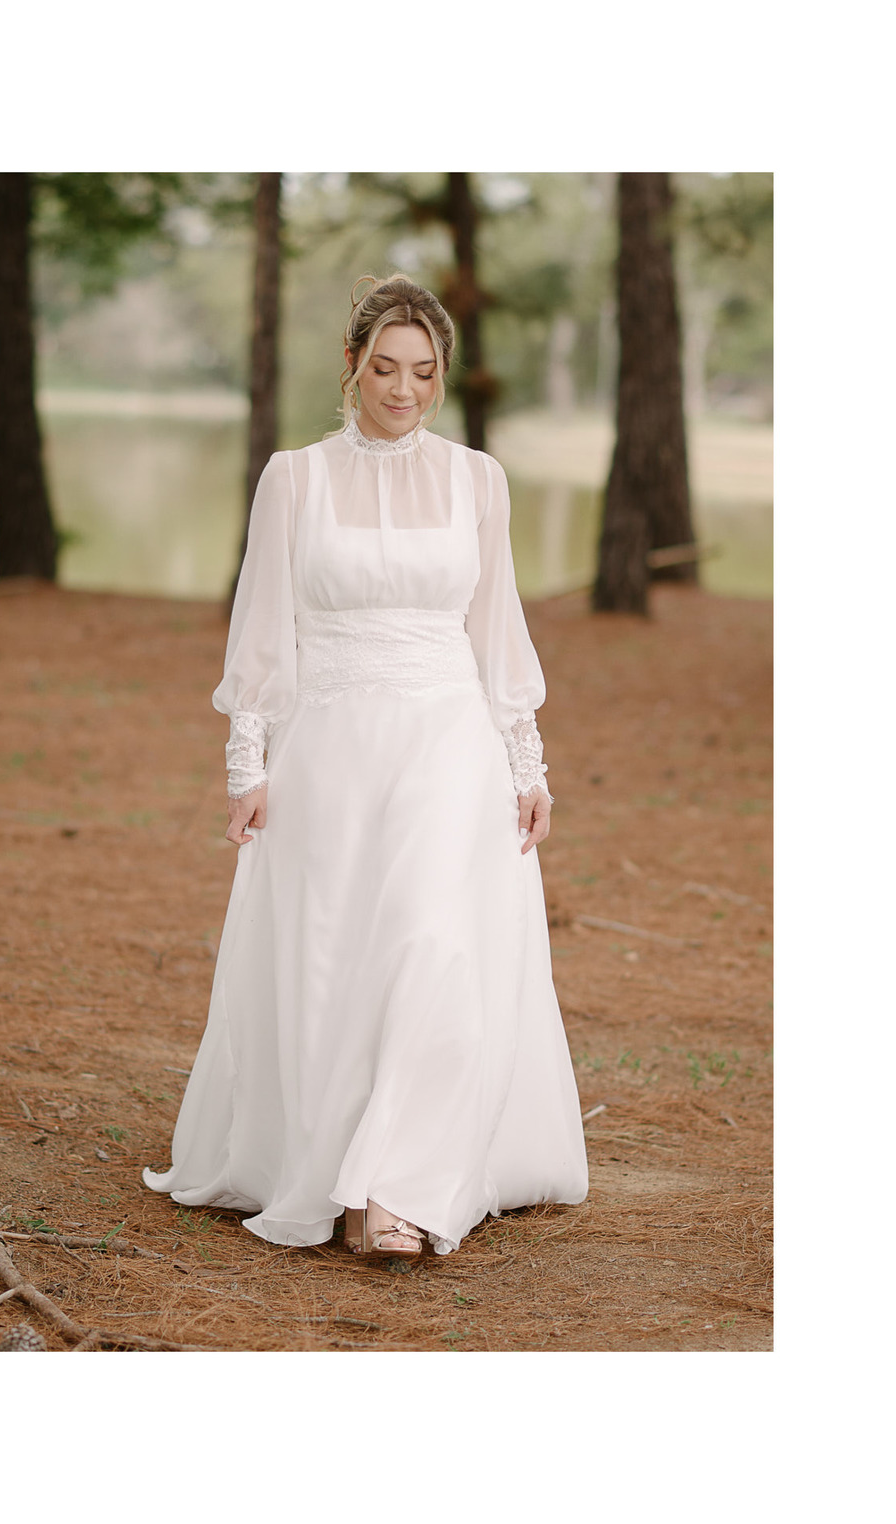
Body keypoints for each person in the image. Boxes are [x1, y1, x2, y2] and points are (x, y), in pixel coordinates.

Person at [143, 274, 588, 1258]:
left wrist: (528, 761)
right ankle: (336, 1159)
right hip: (333, 745)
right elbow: (262, 630)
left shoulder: (479, 480)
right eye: (385, 368)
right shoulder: (293, 479)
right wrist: (245, 763)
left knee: (433, 939)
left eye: (424, 372)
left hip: (447, 736)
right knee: (340, 950)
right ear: (351, 367)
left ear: (442, 376)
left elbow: (496, 630)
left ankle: (396, 1188)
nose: (404, 390)